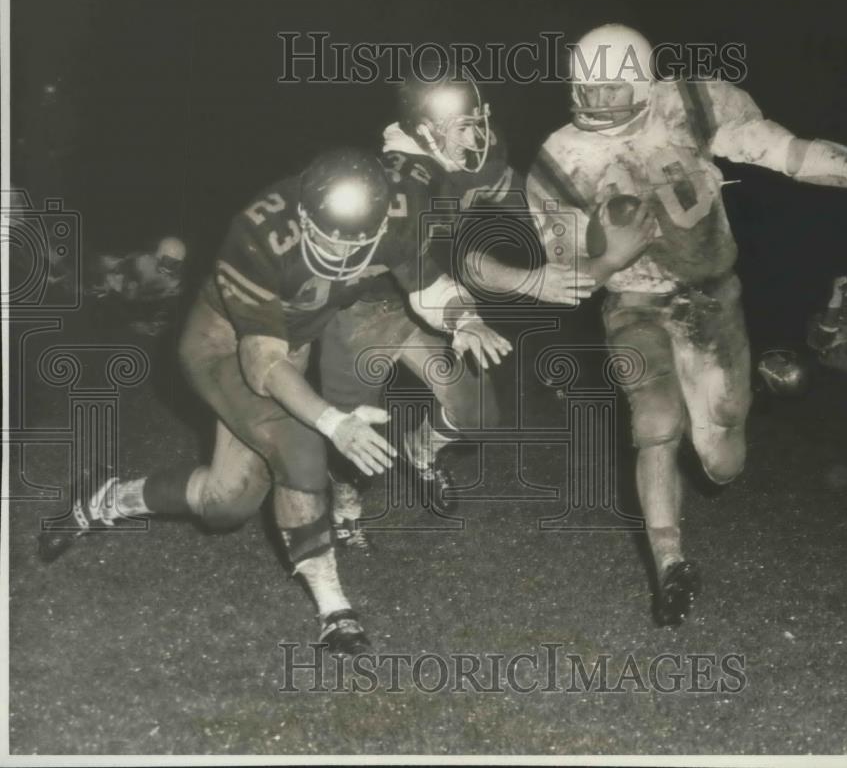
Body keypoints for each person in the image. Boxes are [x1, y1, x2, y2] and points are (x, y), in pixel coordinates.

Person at [526, 23, 847, 626]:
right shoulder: (559, 159)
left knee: (721, 461)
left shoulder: (690, 104)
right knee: (655, 424)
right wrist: (610, 257)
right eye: (584, 88)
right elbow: (567, 278)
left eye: (608, 88)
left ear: (641, 82)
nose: (593, 101)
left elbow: (784, 151)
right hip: (633, 302)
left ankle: (751, 392)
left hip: (713, 299)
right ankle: (671, 565)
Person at [42, 147, 509, 653]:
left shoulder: (396, 210)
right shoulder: (256, 234)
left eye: (357, 240)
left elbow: (429, 285)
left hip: (295, 341)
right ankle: (335, 609)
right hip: (225, 342)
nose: (343, 253)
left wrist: (466, 319)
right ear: (304, 215)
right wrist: (334, 422)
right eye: (329, 238)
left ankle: (108, 498)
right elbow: (264, 362)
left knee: (226, 502)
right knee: (303, 451)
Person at [322, 72, 587, 545]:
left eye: (475, 122)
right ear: (425, 129)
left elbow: (516, 196)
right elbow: (441, 267)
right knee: (355, 435)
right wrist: (515, 290)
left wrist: (574, 227)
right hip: (363, 310)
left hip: (424, 297)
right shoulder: (405, 177)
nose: (475, 136)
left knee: (478, 415)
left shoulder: (451, 154)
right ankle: (344, 505)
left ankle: (419, 451)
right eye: (462, 126)